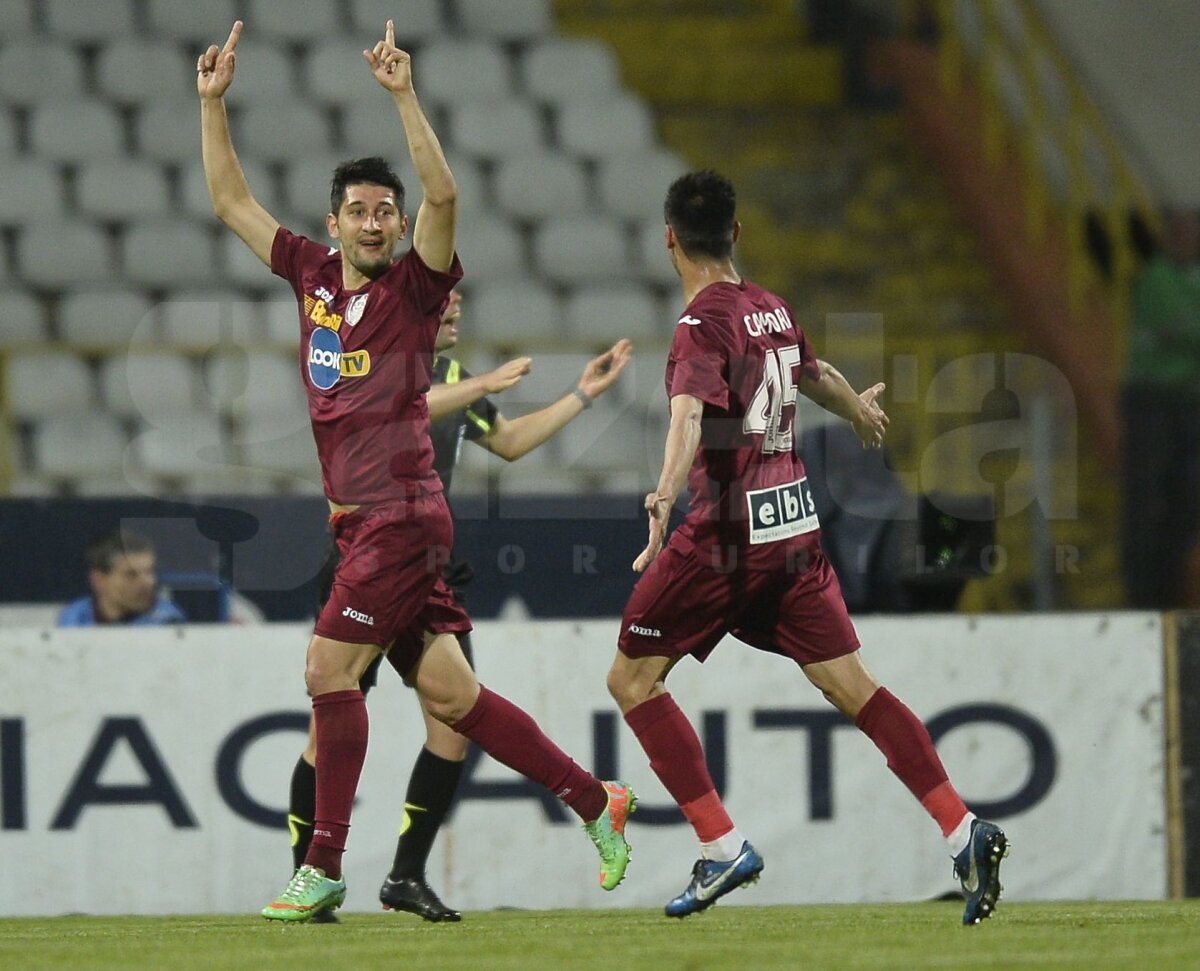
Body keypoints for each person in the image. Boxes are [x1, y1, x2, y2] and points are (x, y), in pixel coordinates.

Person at [198, 20, 636, 923]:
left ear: (399, 227)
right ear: (334, 222)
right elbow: (231, 200)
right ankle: (597, 799)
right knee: (454, 697)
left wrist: (403, 95)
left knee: (327, 669)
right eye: (358, 210)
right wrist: (212, 105)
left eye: (384, 212)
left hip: (398, 516)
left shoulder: (416, 289)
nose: (374, 222)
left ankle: (324, 863)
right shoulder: (312, 274)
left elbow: (444, 192)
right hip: (362, 521)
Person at [603, 170, 1009, 925]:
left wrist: (662, 495)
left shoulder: (699, 324)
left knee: (631, 678)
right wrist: (857, 411)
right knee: (855, 687)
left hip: (726, 539)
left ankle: (722, 846)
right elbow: (816, 376)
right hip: (794, 529)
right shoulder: (771, 306)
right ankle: (963, 828)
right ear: (736, 233)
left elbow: (687, 415)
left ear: (669, 239)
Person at [288, 291, 633, 924]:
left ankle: (362, 872)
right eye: (441, 301)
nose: (454, 310)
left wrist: (581, 395)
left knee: (433, 711)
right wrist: (480, 384)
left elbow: (508, 441)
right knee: (423, 702)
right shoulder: (373, 358)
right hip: (364, 554)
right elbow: (393, 407)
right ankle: (591, 799)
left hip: (415, 554)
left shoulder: (449, 375)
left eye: (457, 303)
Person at [1121, 208, 1200, 608]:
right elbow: (1179, 331)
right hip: (1152, 403)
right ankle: (1142, 599)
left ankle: (1171, 595)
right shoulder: (1155, 277)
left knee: (1185, 504)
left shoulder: (1191, 278)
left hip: (1187, 404)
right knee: (1148, 501)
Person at [58, 528, 186, 626]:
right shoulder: (74, 618)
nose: (149, 582)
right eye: (131, 574)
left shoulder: (168, 622)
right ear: (98, 580)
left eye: (150, 572)